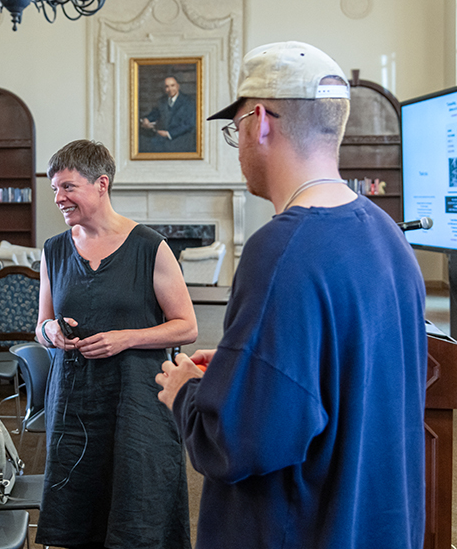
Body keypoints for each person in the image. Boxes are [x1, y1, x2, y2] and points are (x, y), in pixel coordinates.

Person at [156, 41, 427, 549]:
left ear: (259, 121)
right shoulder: (387, 235)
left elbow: (237, 442)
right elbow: (331, 381)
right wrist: (240, 369)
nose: (238, 144)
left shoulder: (280, 250)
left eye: (235, 127)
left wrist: (184, 391)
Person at [35, 139, 198, 549]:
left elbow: (187, 327)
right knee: (79, 512)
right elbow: (40, 325)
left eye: (68, 187)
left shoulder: (150, 247)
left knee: (138, 510)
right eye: (54, 188)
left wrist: (127, 338)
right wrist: (51, 331)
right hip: (73, 402)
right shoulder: (54, 250)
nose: (58, 198)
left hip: (138, 402)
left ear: (101, 184)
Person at [139, 75, 196, 153]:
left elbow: (189, 124)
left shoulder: (188, 101)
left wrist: (169, 134)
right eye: (167, 86)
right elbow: (154, 114)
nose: (170, 89)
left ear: (178, 86)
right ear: (164, 89)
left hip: (181, 141)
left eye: (172, 85)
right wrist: (147, 119)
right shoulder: (161, 101)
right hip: (163, 141)